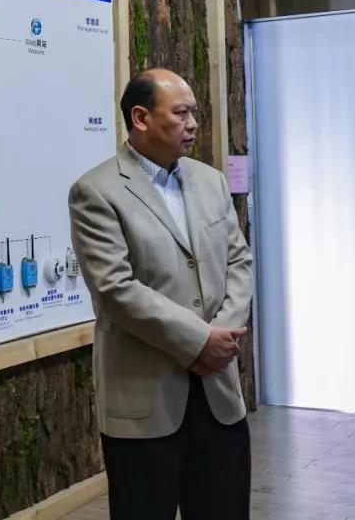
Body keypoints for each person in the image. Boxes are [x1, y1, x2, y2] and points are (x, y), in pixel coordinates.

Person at [68, 68, 254, 520]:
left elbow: (239, 262)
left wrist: (222, 334)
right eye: (181, 113)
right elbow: (115, 289)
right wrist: (199, 341)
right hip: (145, 402)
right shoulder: (96, 192)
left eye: (194, 113)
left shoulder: (210, 181)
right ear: (141, 118)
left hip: (218, 394)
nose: (193, 124)